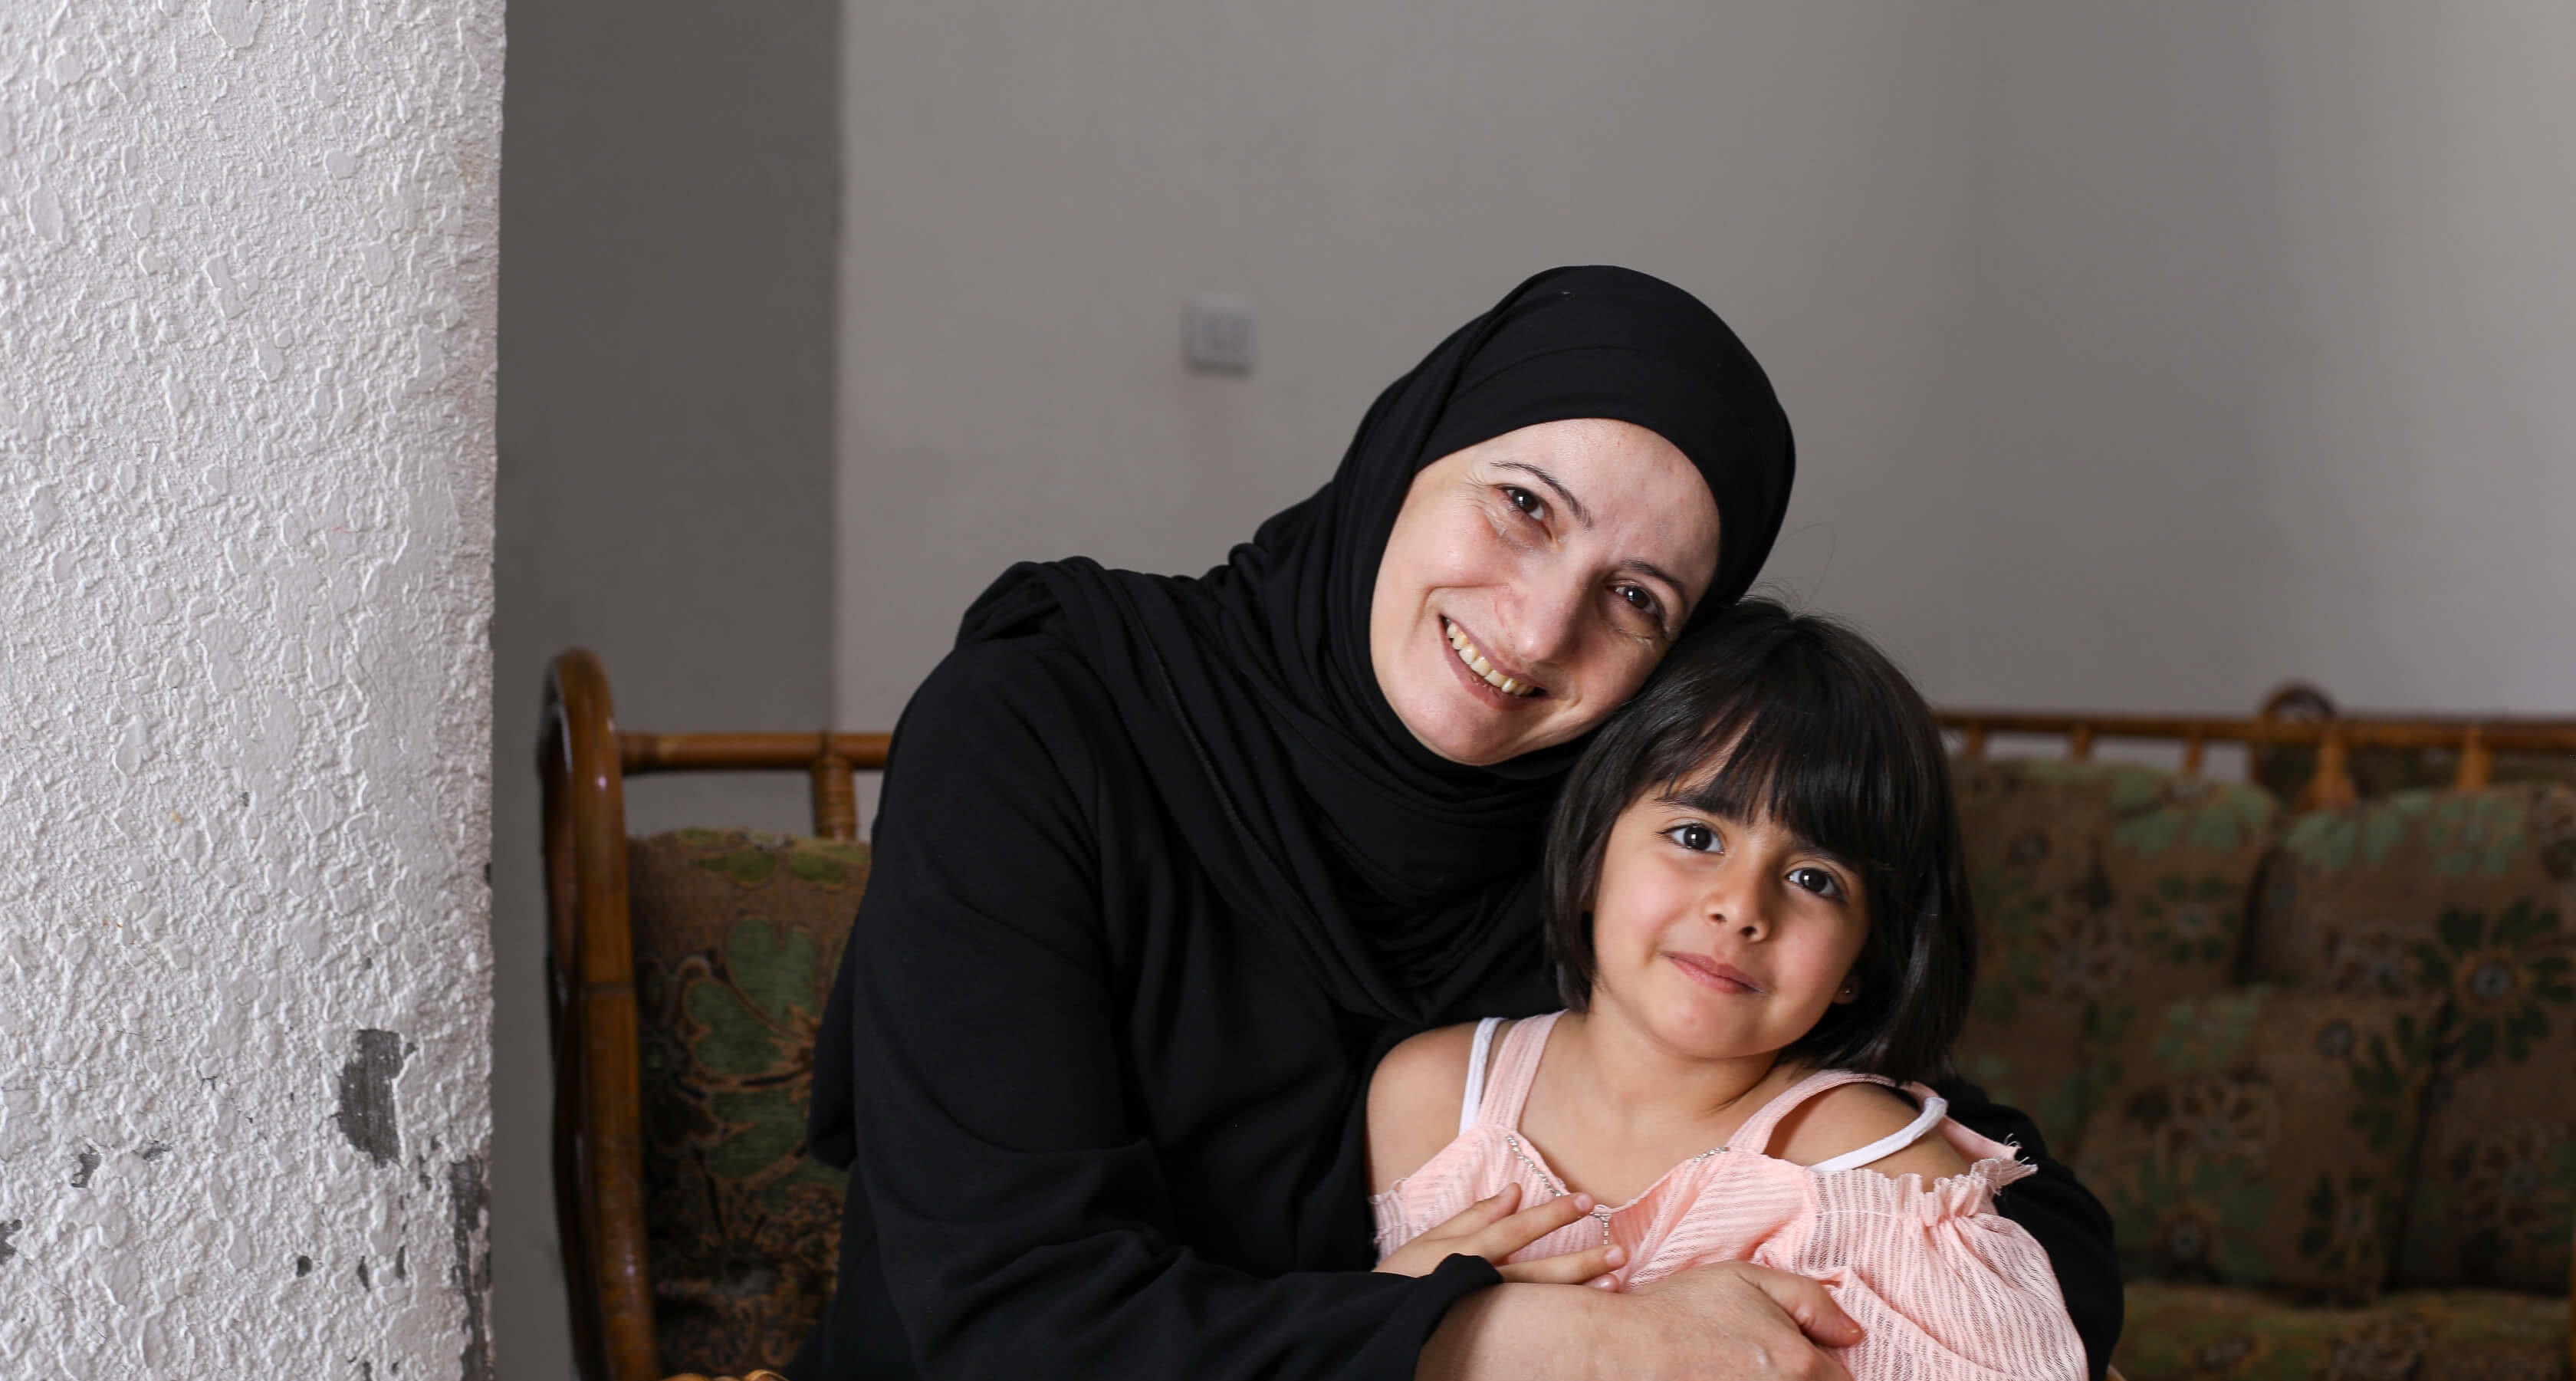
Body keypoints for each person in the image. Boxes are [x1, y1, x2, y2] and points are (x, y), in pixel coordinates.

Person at [794, 266, 2119, 1381]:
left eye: (1639, 598)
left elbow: (2015, 1214)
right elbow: (1014, 1320)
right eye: (1525, 505)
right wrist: (1554, 1337)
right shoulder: (1046, 724)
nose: (1541, 629)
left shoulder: (1611, 846)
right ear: (1408, 454)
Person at [1368, 601, 2086, 1380]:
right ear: (1590, 858)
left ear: (1862, 961)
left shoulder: (1876, 1171)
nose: (1742, 908)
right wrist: (1391, 1312)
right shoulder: (1432, 1099)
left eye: (1814, 879)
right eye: (1697, 836)